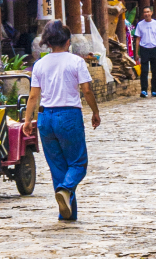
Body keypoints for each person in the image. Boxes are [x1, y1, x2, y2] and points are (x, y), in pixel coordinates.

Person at [23, 18, 100, 222]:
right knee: (78, 163)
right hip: (68, 115)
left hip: (45, 117)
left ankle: (66, 213)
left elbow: (33, 96)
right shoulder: (76, 61)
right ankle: (65, 189)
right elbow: (86, 90)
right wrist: (95, 112)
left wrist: (27, 120)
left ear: (48, 43)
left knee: (58, 167)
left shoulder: (39, 64)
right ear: (68, 41)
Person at [134, 4, 156, 98]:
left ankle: (154, 90)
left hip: (154, 48)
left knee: (155, 70)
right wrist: (136, 53)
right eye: (144, 12)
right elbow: (138, 39)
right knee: (144, 70)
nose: (146, 14)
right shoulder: (140, 24)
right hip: (144, 48)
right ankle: (144, 90)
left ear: (151, 13)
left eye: (148, 12)